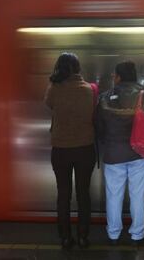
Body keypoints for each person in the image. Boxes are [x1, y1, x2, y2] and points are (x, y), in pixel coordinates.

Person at [96, 61, 144, 245]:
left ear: (118, 77)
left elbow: (98, 127)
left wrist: (107, 141)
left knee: (113, 195)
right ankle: (137, 235)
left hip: (113, 153)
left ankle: (113, 234)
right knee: (138, 194)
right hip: (139, 154)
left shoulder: (104, 97)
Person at [44, 52, 96, 250]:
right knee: (83, 194)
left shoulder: (54, 89)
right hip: (85, 149)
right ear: (78, 68)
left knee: (63, 194)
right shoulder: (89, 90)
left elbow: (48, 104)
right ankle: (83, 236)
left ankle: (65, 237)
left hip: (61, 150)